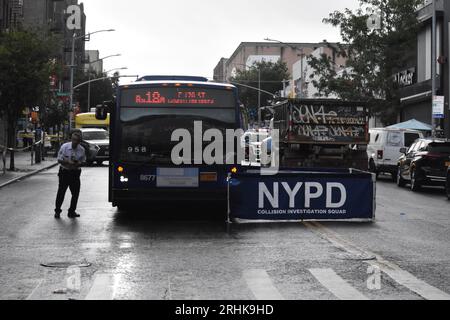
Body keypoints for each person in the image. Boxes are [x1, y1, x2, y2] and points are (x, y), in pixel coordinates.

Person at [54, 132, 86, 219]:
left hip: (75, 173)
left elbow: (84, 161)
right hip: (65, 172)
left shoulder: (81, 150)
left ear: (79, 141)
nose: (75, 142)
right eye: (74, 140)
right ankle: (57, 211)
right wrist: (68, 162)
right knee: (61, 192)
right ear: (71, 139)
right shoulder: (65, 147)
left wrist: (78, 163)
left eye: (77, 140)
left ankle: (71, 211)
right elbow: (59, 160)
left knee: (75, 193)